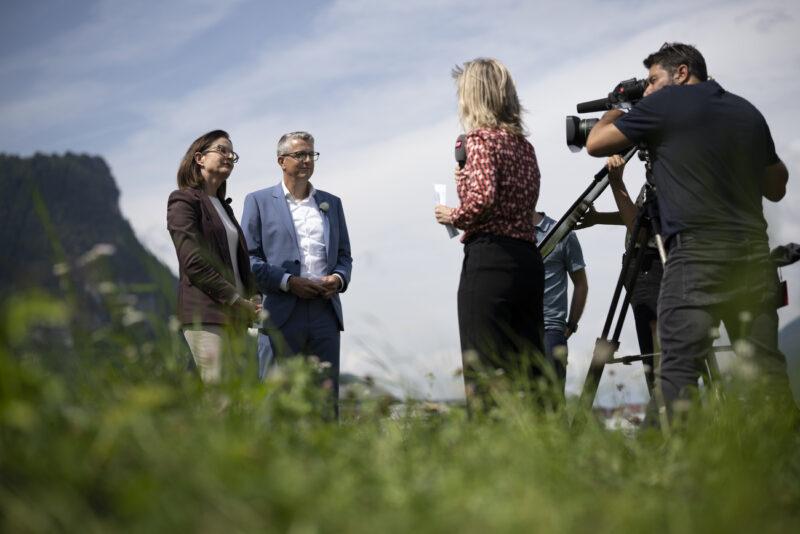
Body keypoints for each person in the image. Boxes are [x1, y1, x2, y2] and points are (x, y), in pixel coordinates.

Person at [586, 42, 790, 417]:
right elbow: (777, 186)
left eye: (652, 80)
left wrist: (618, 104)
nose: (648, 90)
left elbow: (596, 142)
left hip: (696, 258)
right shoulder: (746, 111)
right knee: (767, 374)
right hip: (754, 258)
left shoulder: (666, 105)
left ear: (681, 73)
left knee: (676, 376)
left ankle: (664, 452)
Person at [434, 58, 545, 402]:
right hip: (527, 258)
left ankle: (489, 432)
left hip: (490, 259)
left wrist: (455, 215)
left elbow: (482, 199)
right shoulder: (524, 146)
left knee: (484, 367)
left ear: (473, 95)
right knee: (529, 366)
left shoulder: (479, 139)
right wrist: (464, 179)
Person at [241, 131, 352, 418]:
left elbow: (344, 256)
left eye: (311, 154)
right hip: (280, 311)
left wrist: (338, 279)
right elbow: (249, 258)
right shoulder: (258, 201)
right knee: (275, 401)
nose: (307, 160)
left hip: (325, 311)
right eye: (299, 154)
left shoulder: (332, 203)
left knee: (325, 402)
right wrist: (288, 282)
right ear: (281, 160)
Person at [167, 130, 259, 384]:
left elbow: (239, 262)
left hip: (237, 315)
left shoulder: (225, 207)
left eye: (232, 154)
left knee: (237, 396)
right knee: (220, 395)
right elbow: (193, 262)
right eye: (222, 150)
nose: (229, 156)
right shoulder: (183, 200)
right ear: (199, 158)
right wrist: (235, 299)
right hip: (206, 312)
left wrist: (254, 295)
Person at [578, 156, 662, 391]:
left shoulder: (667, 177)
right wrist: (598, 219)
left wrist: (617, 183)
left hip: (650, 266)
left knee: (654, 351)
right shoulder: (663, 177)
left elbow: (642, 232)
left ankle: (663, 402)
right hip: (645, 265)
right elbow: (641, 219)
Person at [534, 211, 588, 394]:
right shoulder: (507, 232)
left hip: (551, 330)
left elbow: (581, 284)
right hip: (517, 329)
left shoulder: (563, 233)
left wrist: (571, 324)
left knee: (552, 399)